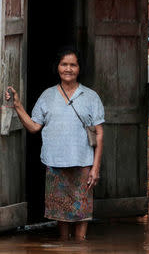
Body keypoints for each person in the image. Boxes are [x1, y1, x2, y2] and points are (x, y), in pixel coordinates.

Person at [5, 47, 104, 240]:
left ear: (79, 68)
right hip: (55, 164)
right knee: (61, 214)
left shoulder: (91, 97)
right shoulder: (47, 96)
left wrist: (96, 167)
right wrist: (17, 105)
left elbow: (99, 134)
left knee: (82, 213)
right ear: (57, 67)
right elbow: (34, 127)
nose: (68, 69)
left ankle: (80, 248)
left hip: (82, 164)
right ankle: (65, 247)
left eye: (73, 65)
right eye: (64, 64)